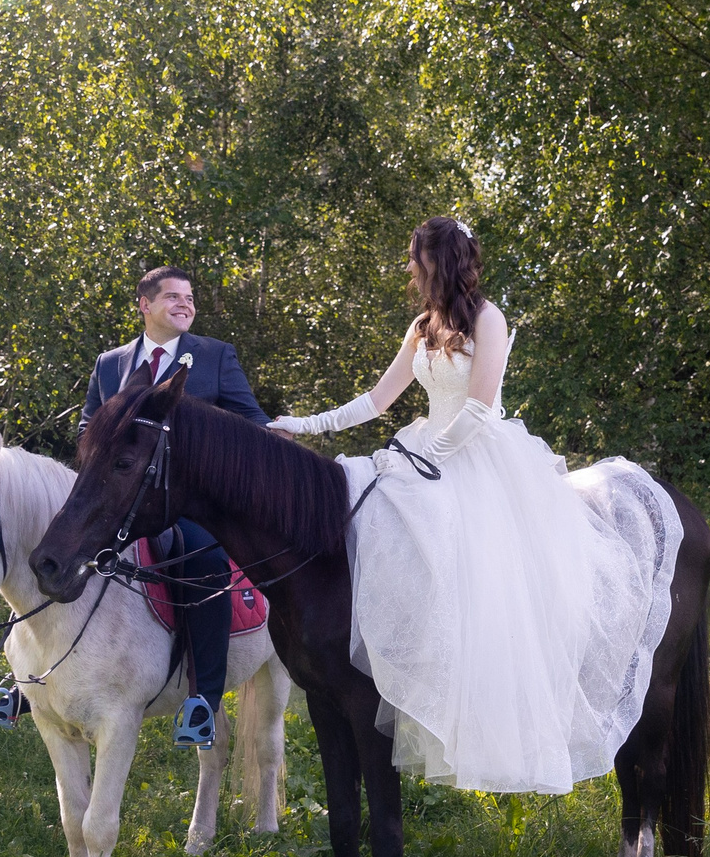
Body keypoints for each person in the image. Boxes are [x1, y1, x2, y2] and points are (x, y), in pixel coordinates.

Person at [270, 216, 660, 794]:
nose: (408, 268)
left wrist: (433, 462)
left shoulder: (488, 319)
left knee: (479, 568)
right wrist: (303, 425)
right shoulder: (422, 327)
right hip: (430, 448)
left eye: (414, 258)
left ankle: (492, 687)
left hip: (477, 458)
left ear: (438, 261)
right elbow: (378, 400)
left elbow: (478, 410)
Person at [0, 265, 270, 749]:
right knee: (47, 545)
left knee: (202, 557)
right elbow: (89, 428)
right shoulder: (111, 364)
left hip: (188, 503)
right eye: (173, 297)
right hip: (116, 495)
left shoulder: (215, 358)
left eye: (189, 298)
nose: (185, 304)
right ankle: (23, 684)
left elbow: (251, 424)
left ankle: (202, 699)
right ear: (144, 305)